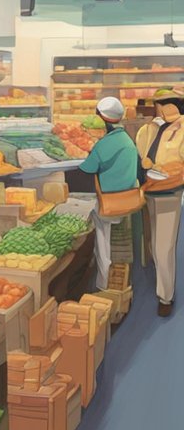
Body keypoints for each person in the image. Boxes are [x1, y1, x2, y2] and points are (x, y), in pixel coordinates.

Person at [80, 97, 140, 294]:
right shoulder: (126, 139)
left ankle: (103, 286)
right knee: (120, 246)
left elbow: (86, 168)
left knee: (102, 246)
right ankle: (123, 284)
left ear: (101, 118)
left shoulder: (104, 144)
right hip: (127, 200)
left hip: (108, 204)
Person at [137, 90, 184, 316]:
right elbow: (142, 152)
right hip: (148, 191)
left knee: (164, 246)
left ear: (176, 105)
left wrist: (166, 169)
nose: (161, 109)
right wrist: (146, 161)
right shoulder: (151, 128)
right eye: (159, 105)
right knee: (152, 243)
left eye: (166, 104)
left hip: (169, 192)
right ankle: (161, 278)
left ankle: (165, 297)